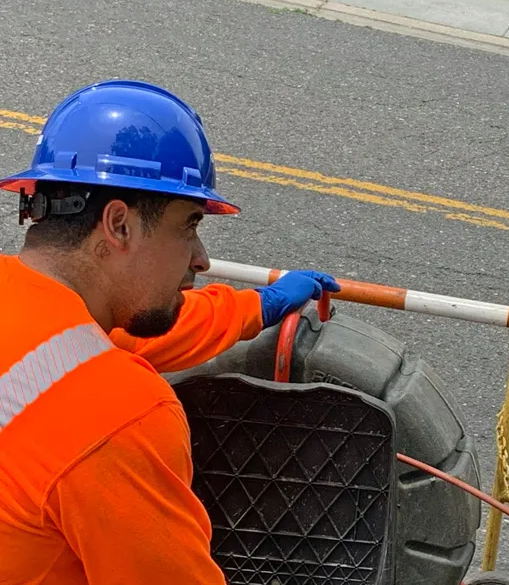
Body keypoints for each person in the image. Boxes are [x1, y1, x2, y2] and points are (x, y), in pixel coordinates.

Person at [0, 80, 342, 583]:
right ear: (119, 225)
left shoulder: (40, 331)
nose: (201, 258)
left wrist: (258, 307)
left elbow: (136, 336)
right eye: (189, 225)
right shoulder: (117, 417)